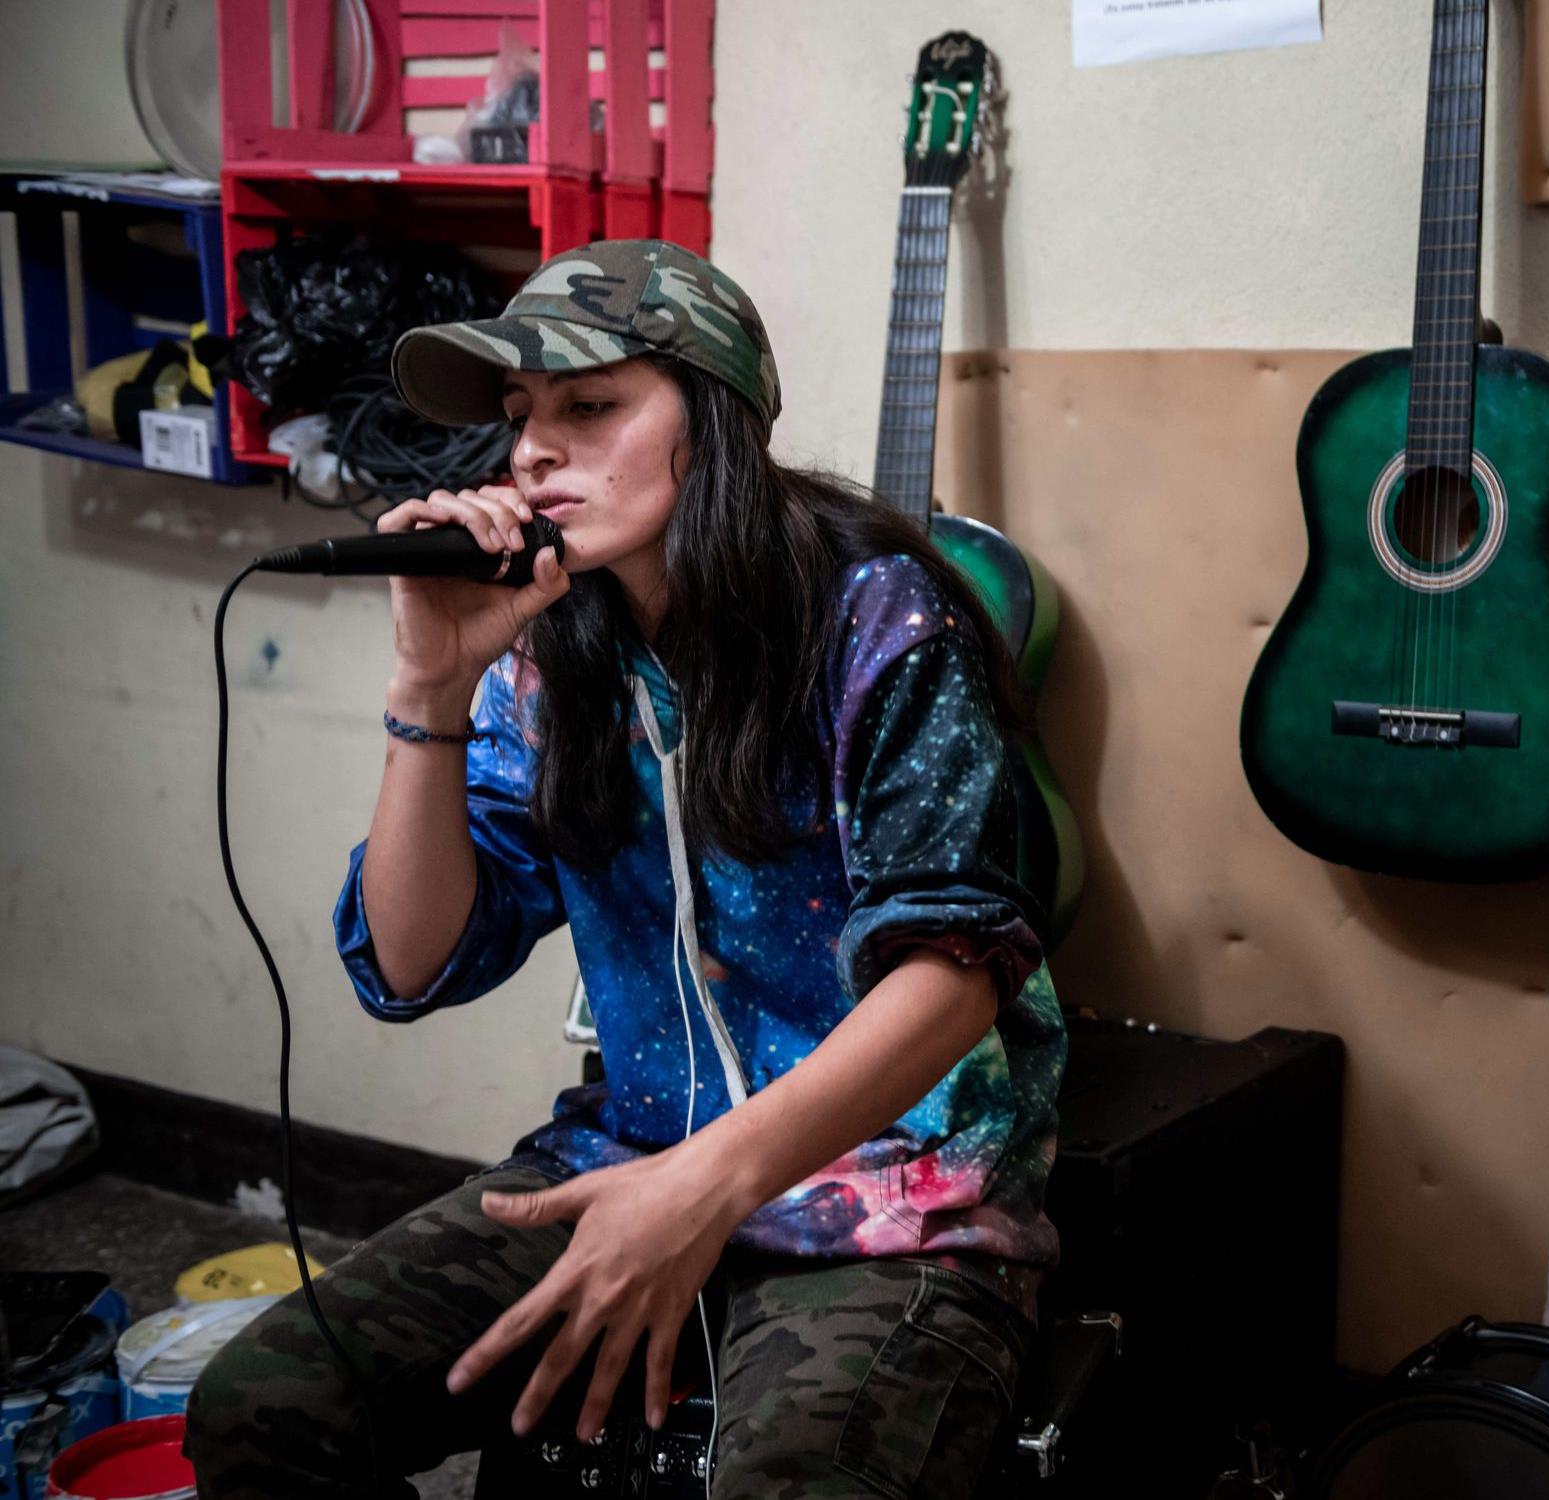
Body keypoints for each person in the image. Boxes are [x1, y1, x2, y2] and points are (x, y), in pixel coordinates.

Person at [184, 241, 1064, 1499]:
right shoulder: (552, 660)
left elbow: (956, 973)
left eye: (590, 407)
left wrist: (704, 1188)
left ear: (713, 425)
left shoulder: (876, 617)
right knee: (260, 1409)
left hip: (888, 1192)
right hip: (630, 1150)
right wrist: (430, 687)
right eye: (519, 419)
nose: (535, 452)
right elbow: (410, 958)